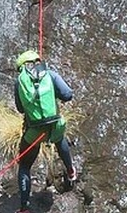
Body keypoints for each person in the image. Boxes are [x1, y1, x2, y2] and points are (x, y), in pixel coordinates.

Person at [13, 50, 77, 213]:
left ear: (21, 67)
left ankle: (24, 207)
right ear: (37, 61)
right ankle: (70, 171)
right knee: (59, 139)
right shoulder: (50, 74)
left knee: (25, 166)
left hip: (34, 130)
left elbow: (20, 109)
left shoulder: (19, 81)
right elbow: (68, 95)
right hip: (54, 125)